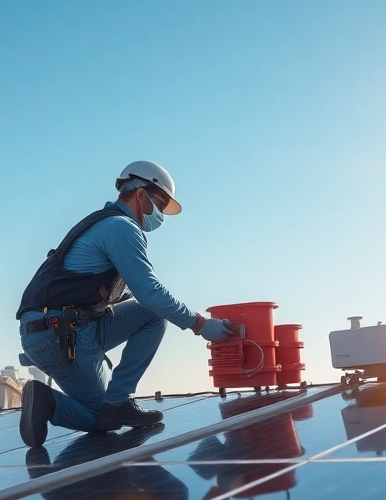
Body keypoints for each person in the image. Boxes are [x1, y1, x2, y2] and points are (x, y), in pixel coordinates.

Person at [15, 160, 235, 447]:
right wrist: (201, 324)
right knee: (104, 418)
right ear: (140, 194)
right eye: (158, 202)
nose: (160, 214)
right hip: (62, 335)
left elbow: (132, 296)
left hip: (58, 331)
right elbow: (151, 292)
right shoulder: (122, 228)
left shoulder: (104, 223)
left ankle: (117, 400)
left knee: (150, 315)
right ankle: (50, 400)